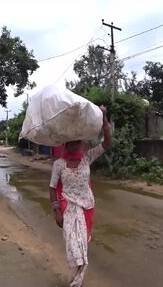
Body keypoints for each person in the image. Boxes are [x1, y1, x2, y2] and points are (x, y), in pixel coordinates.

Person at [48, 105, 111, 287]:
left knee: (82, 248)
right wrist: (56, 210)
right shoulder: (59, 165)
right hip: (68, 209)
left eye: (78, 142)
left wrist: (104, 117)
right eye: (72, 143)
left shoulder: (87, 158)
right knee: (72, 248)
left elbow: (107, 142)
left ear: (82, 144)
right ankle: (74, 282)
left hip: (86, 209)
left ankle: (76, 282)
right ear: (66, 144)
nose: (75, 145)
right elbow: (52, 188)